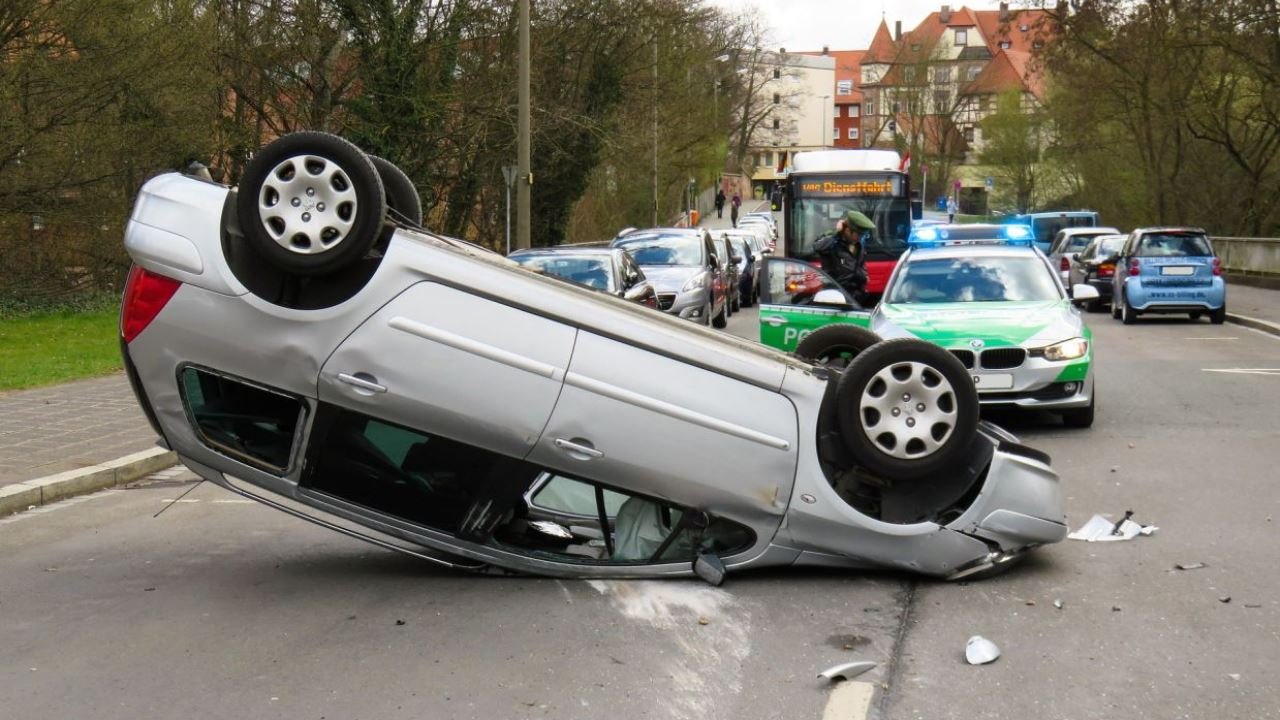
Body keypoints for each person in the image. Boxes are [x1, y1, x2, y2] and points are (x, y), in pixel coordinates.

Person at [814, 210, 873, 304]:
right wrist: (836, 234)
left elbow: (860, 265)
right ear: (848, 231)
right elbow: (818, 247)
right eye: (859, 235)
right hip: (835, 296)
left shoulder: (859, 245)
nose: (861, 238)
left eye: (863, 235)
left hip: (856, 295)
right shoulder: (833, 243)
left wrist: (864, 276)